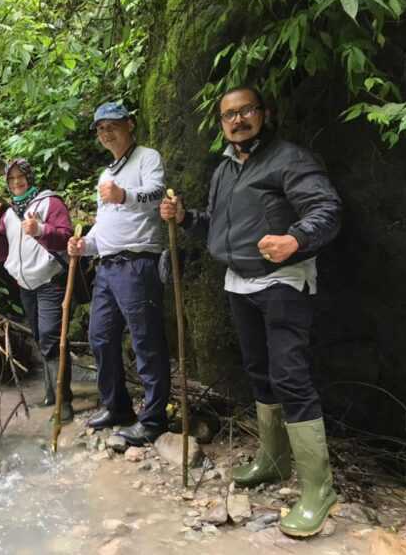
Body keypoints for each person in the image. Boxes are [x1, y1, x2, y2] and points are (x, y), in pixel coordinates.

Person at [160, 86, 342, 537]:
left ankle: (319, 489)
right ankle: (275, 460)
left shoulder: (288, 159)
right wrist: (184, 218)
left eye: (245, 111)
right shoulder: (225, 168)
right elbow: (216, 226)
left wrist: (294, 240)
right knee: (259, 373)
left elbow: (327, 208)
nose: (237, 121)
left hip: (282, 280)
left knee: (290, 376)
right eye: (228, 115)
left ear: (264, 113)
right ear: (221, 124)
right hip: (238, 280)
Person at [68, 102, 171, 447]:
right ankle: (118, 407)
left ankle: (154, 419)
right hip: (108, 267)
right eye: (99, 128)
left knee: (146, 341)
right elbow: (103, 227)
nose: (105, 133)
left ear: (129, 124)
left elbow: (157, 193)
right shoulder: (105, 175)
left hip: (138, 262)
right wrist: (84, 246)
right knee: (100, 337)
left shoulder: (147, 157)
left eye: (111, 125)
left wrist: (123, 194)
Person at [0, 159, 75, 421]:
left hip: (49, 281)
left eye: (20, 177)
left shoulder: (50, 203)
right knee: (40, 337)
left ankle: (62, 402)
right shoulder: (8, 212)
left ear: (30, 177)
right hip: (25, 285)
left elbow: (66, 237)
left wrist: (40, 230)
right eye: (11, 180)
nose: (16, 182)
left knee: (50, 337)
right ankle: (50, 394)